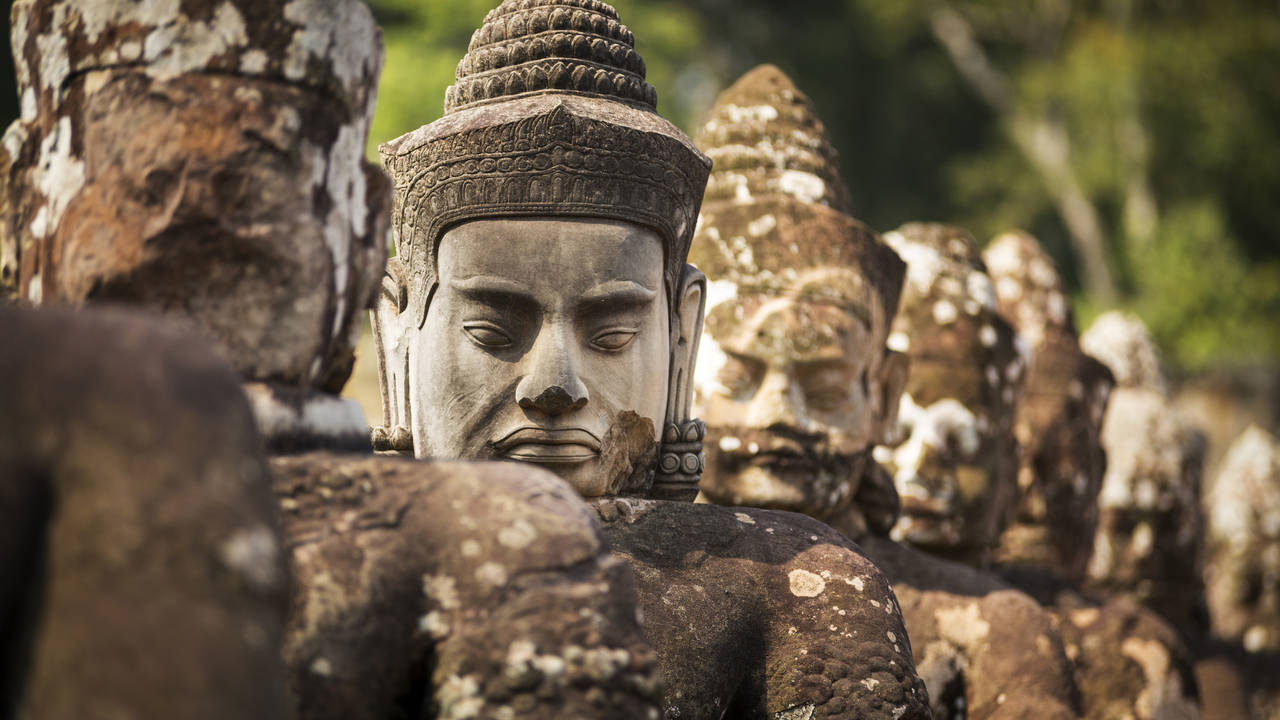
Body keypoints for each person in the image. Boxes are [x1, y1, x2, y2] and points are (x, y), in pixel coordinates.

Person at [376, 4, 930, 717]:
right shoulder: (319, 567)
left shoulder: (788, 583)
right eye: (491, 332)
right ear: (397, 332)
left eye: (610, 337)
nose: (554, 387)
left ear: (681, 337)